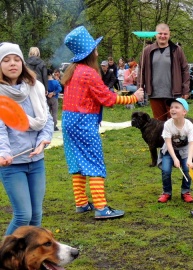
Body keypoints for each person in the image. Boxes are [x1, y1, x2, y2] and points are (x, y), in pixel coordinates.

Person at [61, 26, 144, 219]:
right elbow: (108, 98)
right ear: (90, 52)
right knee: (94, 163)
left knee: (77, 163)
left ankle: (81, 203)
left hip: (68, 121)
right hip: (83, 123)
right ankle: (101, 207)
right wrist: (134, 97)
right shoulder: (89, 73)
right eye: (95, 48)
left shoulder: (71, 70)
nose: (98, 51)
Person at [0, 42, 54, 235]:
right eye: (6, 60)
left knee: (36, 216)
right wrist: (3, 153)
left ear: (23, 63)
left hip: (36, 162)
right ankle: (5, 259)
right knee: (23, 215)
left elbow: (46, 119)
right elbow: (0, 131)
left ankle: (29, 259)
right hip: (13, 165)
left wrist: (43, 140)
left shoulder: (35, 88)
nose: (12, 63)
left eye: (16, 59)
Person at [138, 23, 190, 121]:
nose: (162, 36)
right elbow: (141, 71)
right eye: (160, 33)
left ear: (169, 35)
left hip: (173, 94)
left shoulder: (177, 50)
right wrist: (139, 90)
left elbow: (185, 70)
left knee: (176, 123)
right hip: (154, 94)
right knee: (158, 125)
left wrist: (186, 89)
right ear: (156, 35)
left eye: (165, 34)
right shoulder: (147, 51)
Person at [157, 98, 193, 203]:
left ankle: (186, 192)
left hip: (185, 151)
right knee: (166, 170)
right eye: (171, 107)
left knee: (187, 169)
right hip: (169, 151)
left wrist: (189, 160)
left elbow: (192, 143)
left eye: (176, 107)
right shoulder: (167, 124)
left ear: (184, 112)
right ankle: (167, 193)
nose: (173, 109)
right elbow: (168, 143)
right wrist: (175, 158)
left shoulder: (189, 125)